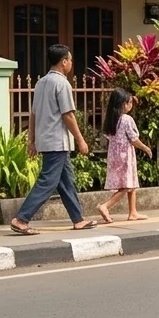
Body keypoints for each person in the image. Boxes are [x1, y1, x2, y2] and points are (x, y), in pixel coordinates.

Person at [11, 45, 97, 235]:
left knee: (66, 182)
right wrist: (81, 140)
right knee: (48, 181)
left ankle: (78, 219)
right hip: (57, 141)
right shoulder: (62, 83)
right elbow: (68, 115)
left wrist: (31, 141)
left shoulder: (41, 83)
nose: (72, 63)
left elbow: (33, 114)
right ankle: (21, 219)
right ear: (63, 62)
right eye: (70, 60)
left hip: (46, 140)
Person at [97, 89, 153, 223]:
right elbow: (133, 139)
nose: (131, 105)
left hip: (114, 155)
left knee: (131, 182)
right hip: (125, 156)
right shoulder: (127, 119)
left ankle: (133, 212)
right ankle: (105, 206)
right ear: (123, 104)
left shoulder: (111, 119)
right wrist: (146, 148)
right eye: (129, 103)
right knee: (126, 185)